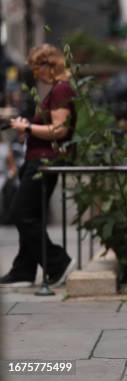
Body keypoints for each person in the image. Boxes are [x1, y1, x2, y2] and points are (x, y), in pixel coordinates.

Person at [0, 44, 78, 287]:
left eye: (37, 67)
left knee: (21, 214)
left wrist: (29, 128)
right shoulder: (56, 90)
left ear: (49, 64)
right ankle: (23, 270)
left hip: (44, 162)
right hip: (38, 159)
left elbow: (59, 130)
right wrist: (26, 130)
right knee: (31, 214)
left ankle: (57, 262)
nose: (35, 73)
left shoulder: (61, 89)